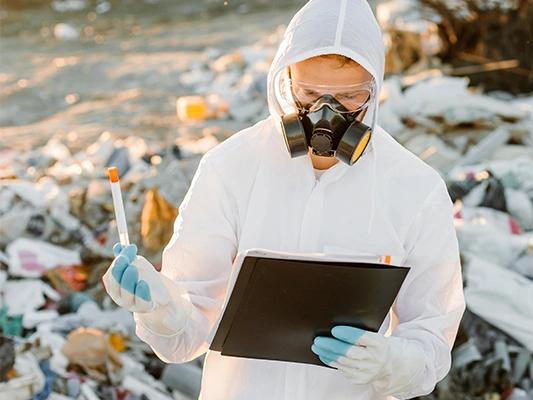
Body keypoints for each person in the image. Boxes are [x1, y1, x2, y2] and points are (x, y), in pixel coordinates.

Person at [101, 0, 465, 399]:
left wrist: (393, 362)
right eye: (309, 91)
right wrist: (160, 307)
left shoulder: (415, 189)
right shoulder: (231, 168)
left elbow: (431, 339)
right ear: (284, 80)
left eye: (348, 96)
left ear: (374, 91)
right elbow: (186, 337)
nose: (326, 111)